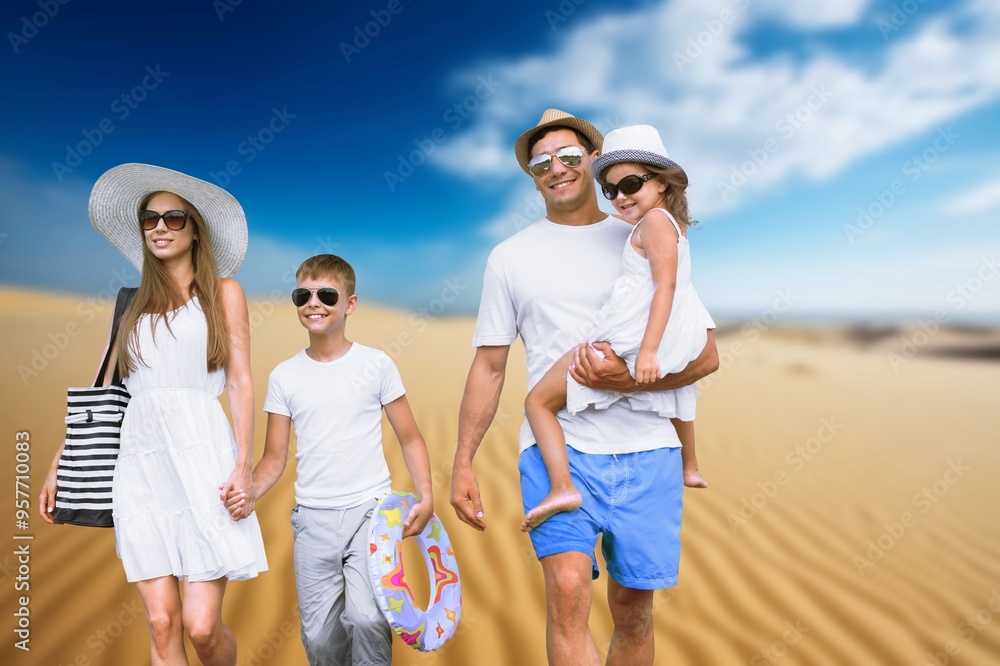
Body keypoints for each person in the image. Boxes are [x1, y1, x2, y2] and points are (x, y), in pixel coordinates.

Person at [450, 109, 719, 666]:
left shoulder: (647, 233)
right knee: (568, 591)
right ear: (531, 174)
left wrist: (628, 379)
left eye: (570, 157)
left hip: (648, 450)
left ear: (594, 161)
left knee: (634, 610)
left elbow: (705, 354)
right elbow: (490, 367)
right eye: (541, 162)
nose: (557, 169)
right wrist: (462, 460)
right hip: (558, 451)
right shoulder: (509, 257)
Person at [39, 163, 267, 666]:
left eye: (174, 218)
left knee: (202, 628)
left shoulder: (224, 293)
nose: (160, 227)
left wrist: (243, 466)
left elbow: (241, 380)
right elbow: (106, 392)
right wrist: (61, 462)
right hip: (139, 467)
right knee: (162, 623)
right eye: (149, 218)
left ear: (196, 228)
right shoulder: (129, 302)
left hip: (204, 458)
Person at [225, 254, 433, 666]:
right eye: (303, 294)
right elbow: (273, 458)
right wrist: (248, 491)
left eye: (326, 294)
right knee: (319, 639)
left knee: (367, 618)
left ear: (350, 304)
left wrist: (426, 497)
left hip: (369, 515)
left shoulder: (376, 364)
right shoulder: (285, 376)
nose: (313, 303)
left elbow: (410, 438)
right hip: (312, 521)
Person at [522, 124, 714, 531]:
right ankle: (690, 465)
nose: (620, 197)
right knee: (679, 391)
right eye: (611, 189)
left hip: (630, 336)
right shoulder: (662, 223)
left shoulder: (655, 223)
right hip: (661, 333)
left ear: (661, 183)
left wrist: (645, 352)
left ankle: (561, 487)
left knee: (538, 401)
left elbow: (666, 285)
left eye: (630, 184)